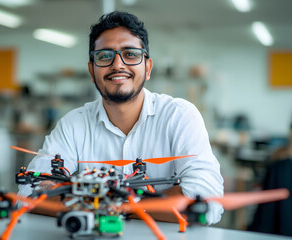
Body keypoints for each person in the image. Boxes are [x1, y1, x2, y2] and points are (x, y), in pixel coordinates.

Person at [18, 11, 224, 224]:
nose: (117, 65)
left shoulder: (179, 116)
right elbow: (30, 191)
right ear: (92, 70)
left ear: (148, 67)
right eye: (105, 56)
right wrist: (138, 206)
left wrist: (111, 207)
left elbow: (207, 199)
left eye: (131, 54)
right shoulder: (73, 124)